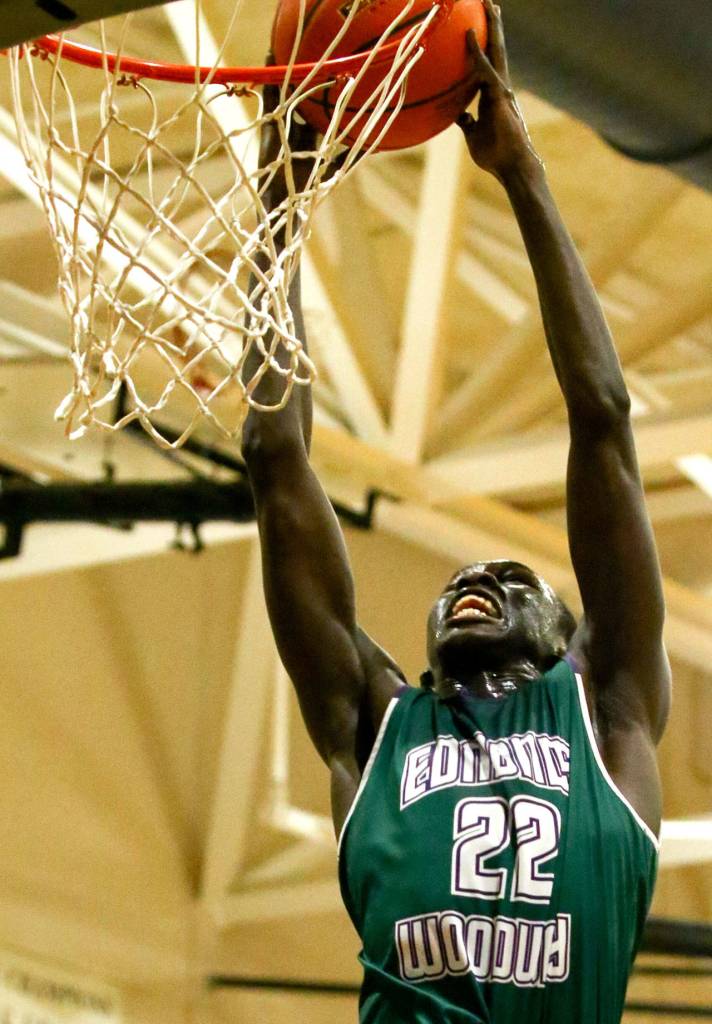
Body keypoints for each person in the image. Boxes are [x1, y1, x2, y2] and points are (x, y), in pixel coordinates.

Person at [241, 3, 671, 1020]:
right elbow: (274, 454)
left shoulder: (604, 712)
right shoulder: (373, 720)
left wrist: (523, 173)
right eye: (459, 585)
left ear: (569, 636)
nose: (470, 579)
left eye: (510, 582)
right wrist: (276, 203)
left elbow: (602, 418)